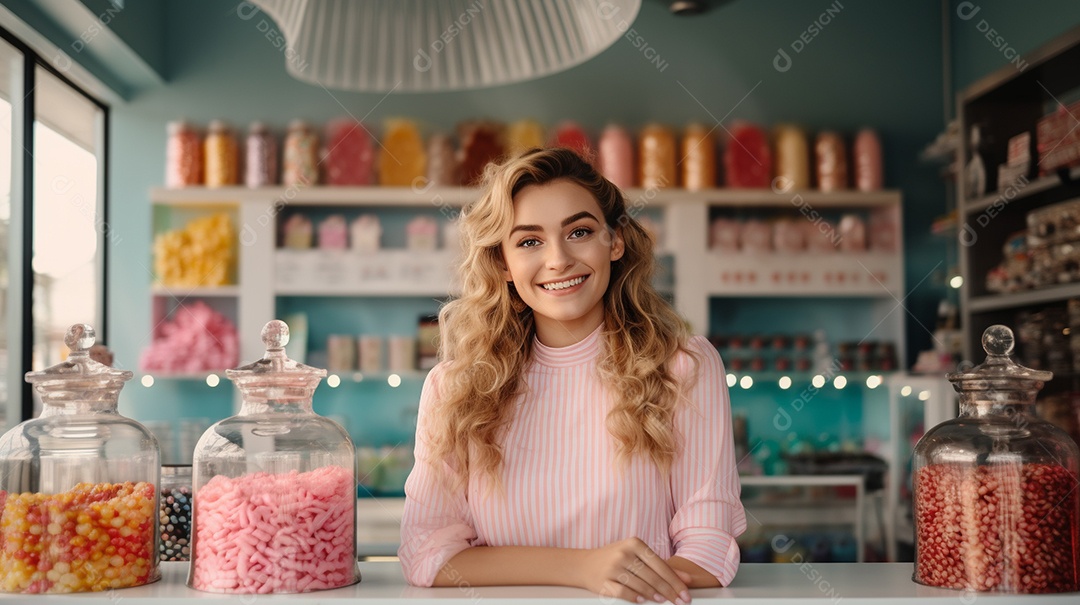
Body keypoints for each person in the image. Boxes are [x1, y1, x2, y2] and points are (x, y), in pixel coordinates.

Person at [399, 148, 745, 603]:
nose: (558, 259)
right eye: (528, 241)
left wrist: (605, 580)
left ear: (614, 242)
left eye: (579, 232)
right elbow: (428, 555)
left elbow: (707, 551)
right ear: (503, 263)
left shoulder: (683, 366)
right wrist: (583, 568)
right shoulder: (453, 387)